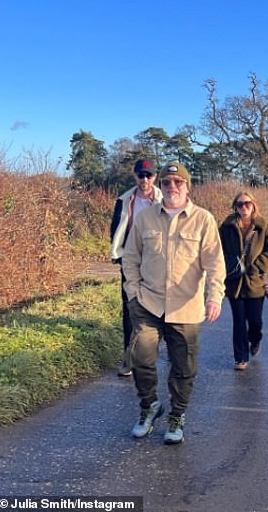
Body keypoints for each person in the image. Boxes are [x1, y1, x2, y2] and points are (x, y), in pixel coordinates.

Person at [122, 161, 225, 445]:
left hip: (186, 307)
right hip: (148, 303)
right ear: (161, 185)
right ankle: (149, 406)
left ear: (187, 186)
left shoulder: (203, 219)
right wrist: (132, 292)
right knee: (140, 358)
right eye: (166, 182)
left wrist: (214, 296)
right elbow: (130, 258)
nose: (172, 187)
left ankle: (177, 415)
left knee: (184, 367)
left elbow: (216, 264)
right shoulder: (145, 219)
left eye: (178, 182)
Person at [109, 158, 163, 377]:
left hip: (156, 260)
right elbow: (115, 229)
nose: (145, 179)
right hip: (130, 261)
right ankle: (129, 359)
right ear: (135, 176)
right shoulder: (124, 200)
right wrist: (119, 256)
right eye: (141, 175)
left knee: (155, 307)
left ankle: (150, 352)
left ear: (155, 177)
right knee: (130, 308)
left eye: (149, 175)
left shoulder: (164, 199)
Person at [219, 192, 268, 371]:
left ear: (253, 205)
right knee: (238, 322)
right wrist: (227, 266)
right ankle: (240, 358)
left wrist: (257, 267)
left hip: (255, 281)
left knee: (255, 321)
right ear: (235, 207)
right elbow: (218, 249)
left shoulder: (263, 227)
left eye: (247, 203)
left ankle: (256, 339)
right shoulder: (227, 226)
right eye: (239, 204)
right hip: (234, 282)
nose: (243, 207)